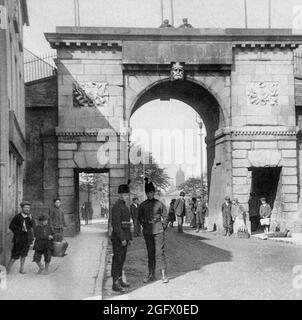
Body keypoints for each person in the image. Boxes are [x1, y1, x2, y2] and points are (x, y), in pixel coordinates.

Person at [138, 178, 169, 284]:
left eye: (151, 192)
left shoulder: (159, 204)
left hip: (158, 231)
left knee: (160, 253)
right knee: (150, 253)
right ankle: (151, 274)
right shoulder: (142, 205)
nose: (149, 194)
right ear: (146, 193)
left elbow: (165, 216)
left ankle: (164, 274)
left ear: (154, 193)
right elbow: (139, 218)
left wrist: (163, 226)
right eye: (148, 193)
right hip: (148, 232)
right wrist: (145, 225)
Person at [111, 180, 132, 293]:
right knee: (117, 259)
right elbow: (116, 225)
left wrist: (129, 238)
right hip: (118, 238)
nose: (126, 197)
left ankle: (119, 280)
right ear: (120, 195)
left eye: (127, 195)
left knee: (121, 259)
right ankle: (115, 283)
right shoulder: (116, 206)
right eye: (124, 195)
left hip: (124, 237)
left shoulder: (124, 205)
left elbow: (127, 223)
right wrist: (123, 238)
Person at [7, 201, 34, 274]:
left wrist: (31, 219)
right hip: (18, 240)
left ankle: (21, 269)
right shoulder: (17, 217)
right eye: (25, 207)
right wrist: (19, 231)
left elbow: (32, 226)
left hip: (26, 239)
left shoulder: (30, 217)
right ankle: (7, 271)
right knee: (14, 255)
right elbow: (11, 226)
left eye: (28, 208)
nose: (27, 209)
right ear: (22, 208)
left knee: (24, 255)